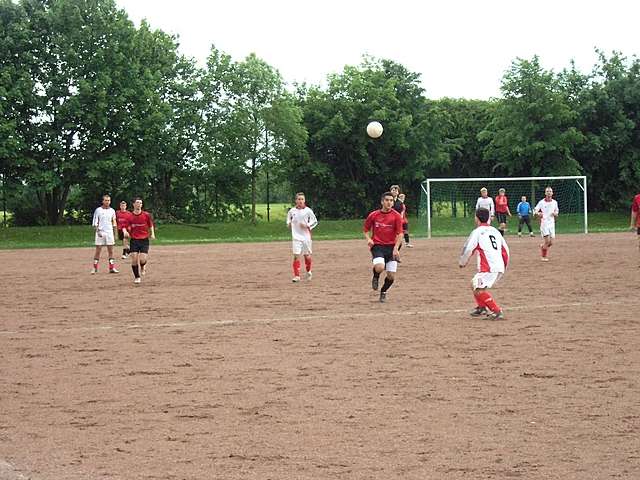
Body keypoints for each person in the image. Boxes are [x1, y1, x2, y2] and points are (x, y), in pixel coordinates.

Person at [459, 208, 510, 320]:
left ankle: (496, 311)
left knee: (479, 290)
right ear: (488, 218)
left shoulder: (477, 232)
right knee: (474, 283)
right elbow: (505, 249)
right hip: (498, 265)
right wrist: (504, 265)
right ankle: (482, 307)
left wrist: (462, 262)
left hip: (489, 267)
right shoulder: (495, 231)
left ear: (476, 218)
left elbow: (468, 249)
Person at [364, 191, 404, 303]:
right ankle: (376, 276)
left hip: (391, 247)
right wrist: (369, 239)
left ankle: (383, 291)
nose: (389, 203)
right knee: (380, 267)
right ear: (382, 202)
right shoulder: (374, 215)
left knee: (391, 276)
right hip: (378, 246)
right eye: (387, 200)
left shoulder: (396, 216)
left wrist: (396, 249)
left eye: (391, 200)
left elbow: (400, 234)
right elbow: (366, 230)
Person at [286, 192, 318, 282]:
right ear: (296, 200)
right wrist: (288, 224)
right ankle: (297, 276)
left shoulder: (308, 211)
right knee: (296, 256)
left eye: (302, 199)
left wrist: (307, 225)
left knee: (307, 256)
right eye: (299, 199)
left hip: (306, 237)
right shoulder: (292, 211)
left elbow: (315, 221)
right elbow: (288, 220)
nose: (300, 201)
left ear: (304, 200)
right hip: (296, 237)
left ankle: (308, 271)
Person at [122, 197, 155, 284]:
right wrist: (125, 232)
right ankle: (137, 277)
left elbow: (150, 225)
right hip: (134, 240)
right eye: (137, 202)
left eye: (140, 203)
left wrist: (152, 233)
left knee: (142, 260)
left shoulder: (146, 215)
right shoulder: (130, 216)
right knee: (134, 259)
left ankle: (143, 266)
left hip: (144, 240)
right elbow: (124, 227)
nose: (139, 204)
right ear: (133, 204)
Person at [91, 194, 119, 274]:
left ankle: (111, 267)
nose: (107, 202)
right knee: (98, 250)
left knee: (110, 251)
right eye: (106, 200)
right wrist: (98, 231)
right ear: (103, 201)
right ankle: (94, 268)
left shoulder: (112, 211)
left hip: (109, 232)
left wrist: (115, 234)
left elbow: (114, 222)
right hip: (100, 232)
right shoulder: (98, 210)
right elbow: (95, 222)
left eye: (109, 200)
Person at [534, 187, 559, 262]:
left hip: (552, 224)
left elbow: (557, 211)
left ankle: (543, 247)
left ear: (552, 193)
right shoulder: (541, 202)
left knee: (551, 243)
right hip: (544, 223)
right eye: (547, 191)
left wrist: (555, 213)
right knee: (547, 241)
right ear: (545, 193)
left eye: (550, 191)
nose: (549, 192)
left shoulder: (555, 202)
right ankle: (543, 256)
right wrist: (538, 213)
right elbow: (535, 210)